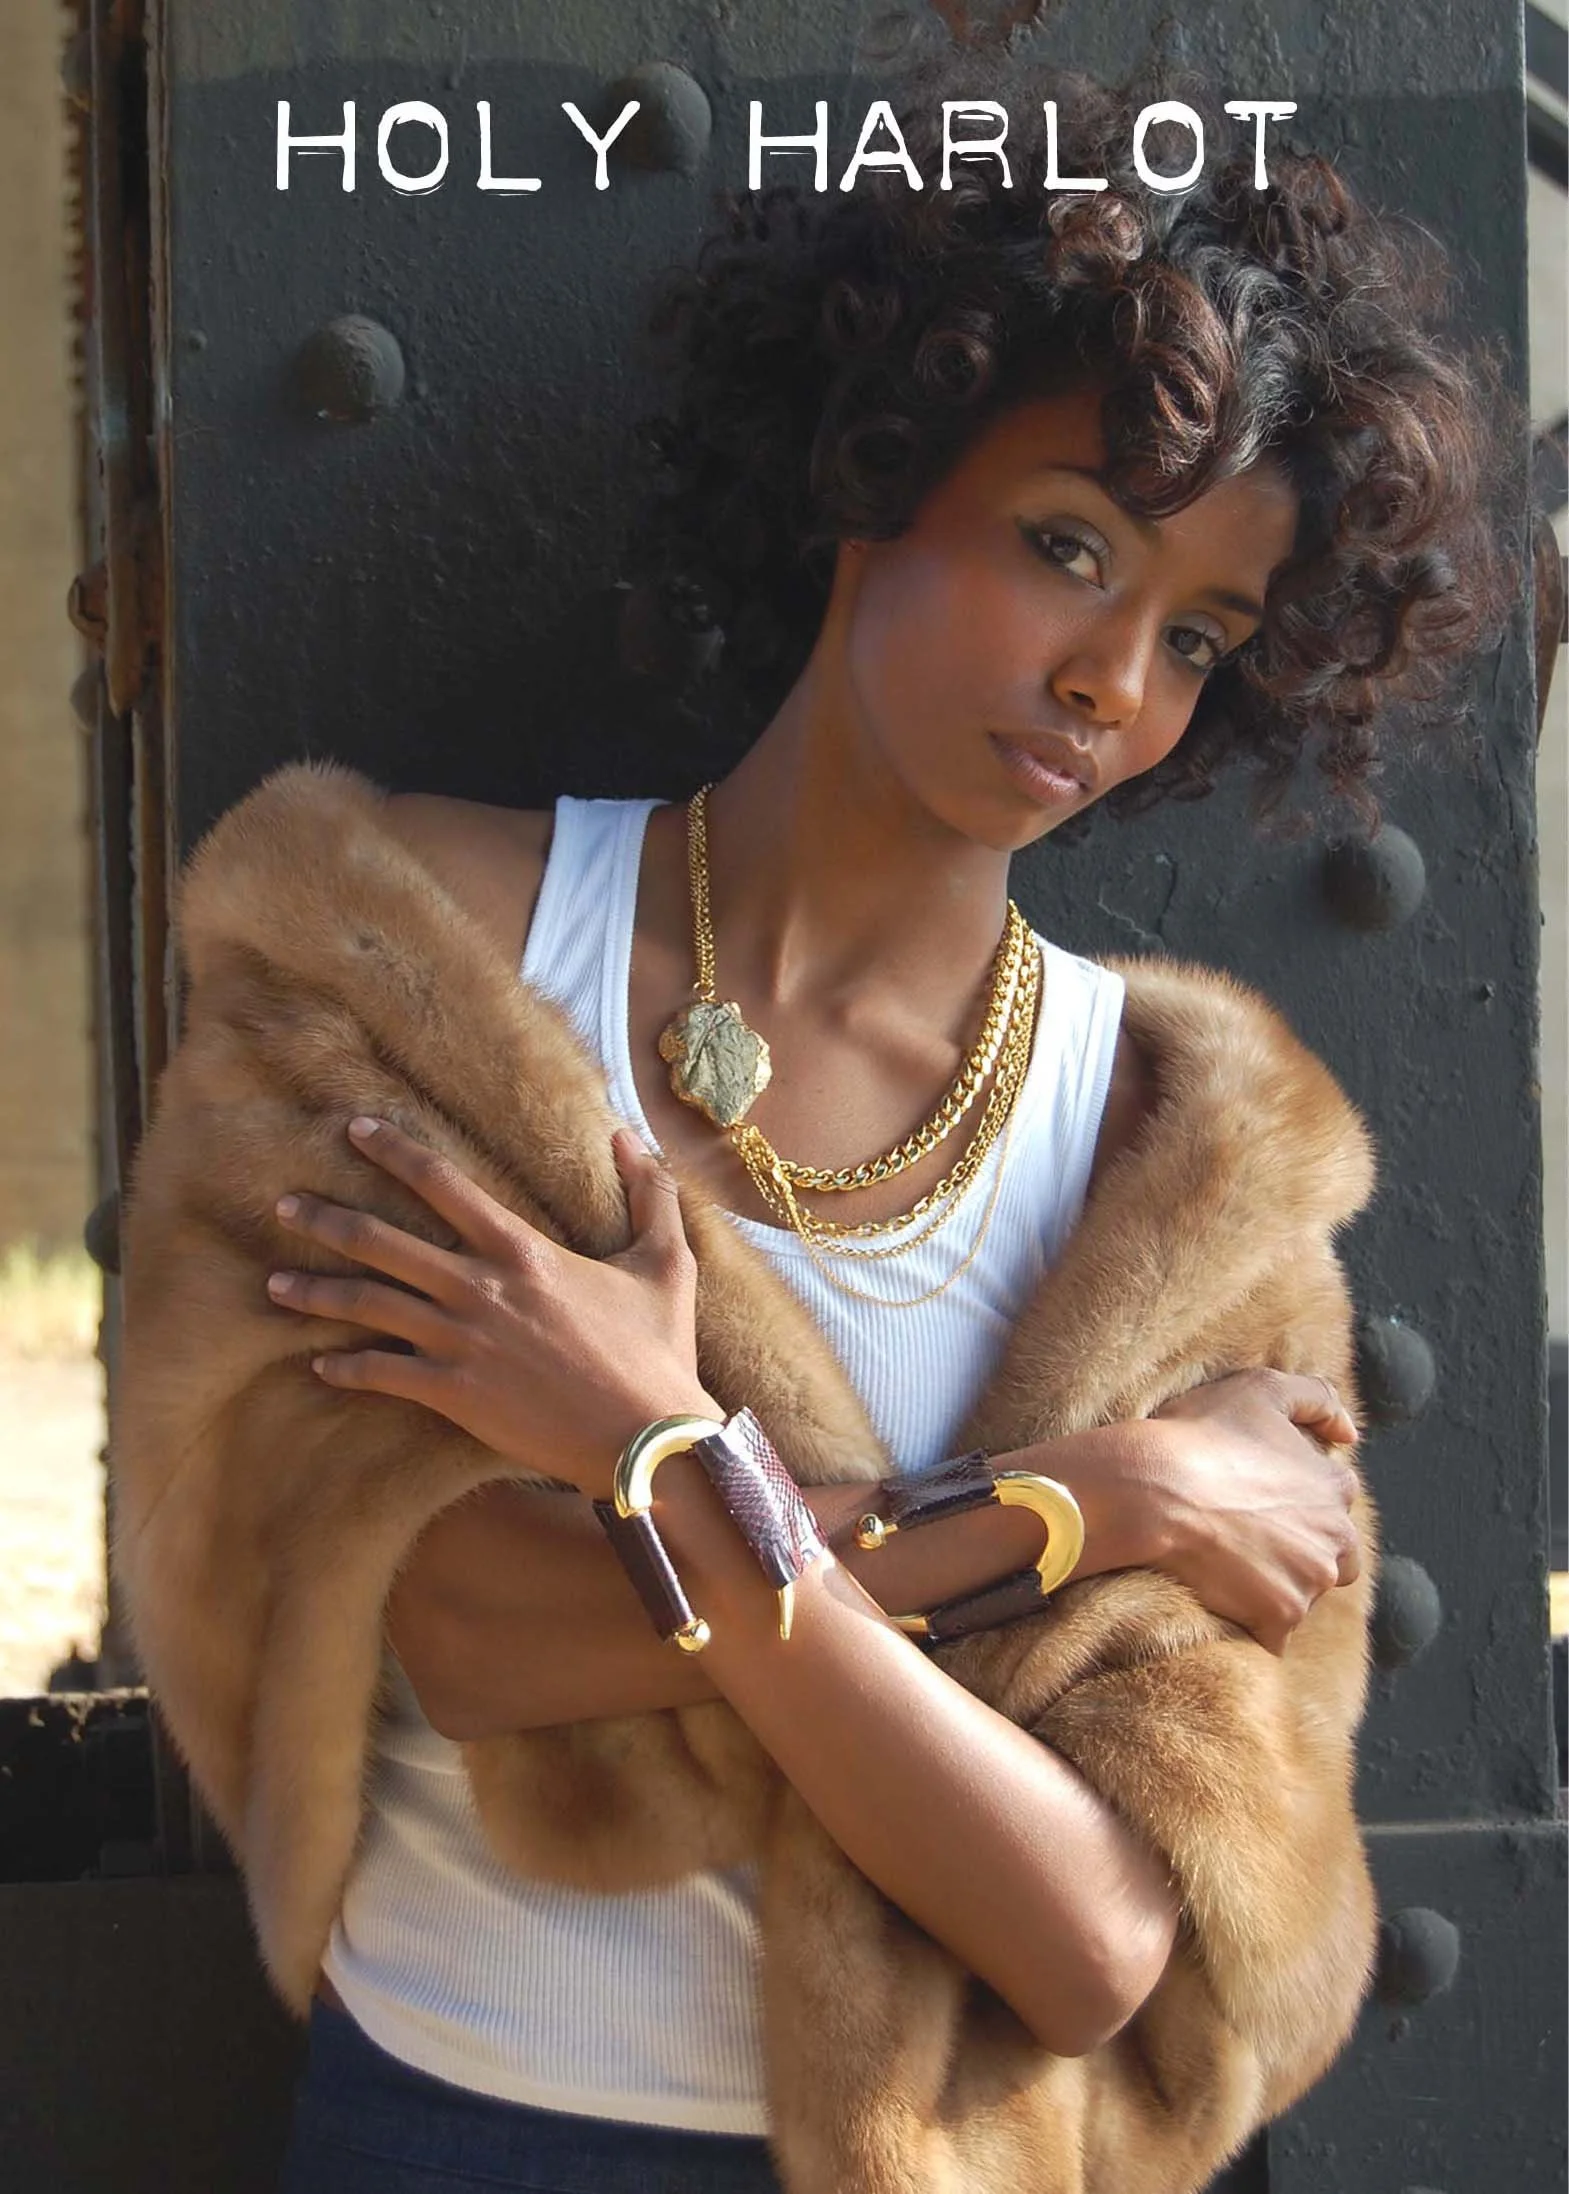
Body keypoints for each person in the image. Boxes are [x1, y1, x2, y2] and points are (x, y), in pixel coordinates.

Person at [126, 47, 1519, 2194]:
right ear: (875, 463)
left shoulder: (1186, 1168)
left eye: (1197, 638)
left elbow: (1087, 1935)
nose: (1111, 684)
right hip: (481, 2129)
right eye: (1070, 547)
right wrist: (1084, 1501)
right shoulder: (422, 960)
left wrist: (645, 1462)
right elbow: (467, 1630)